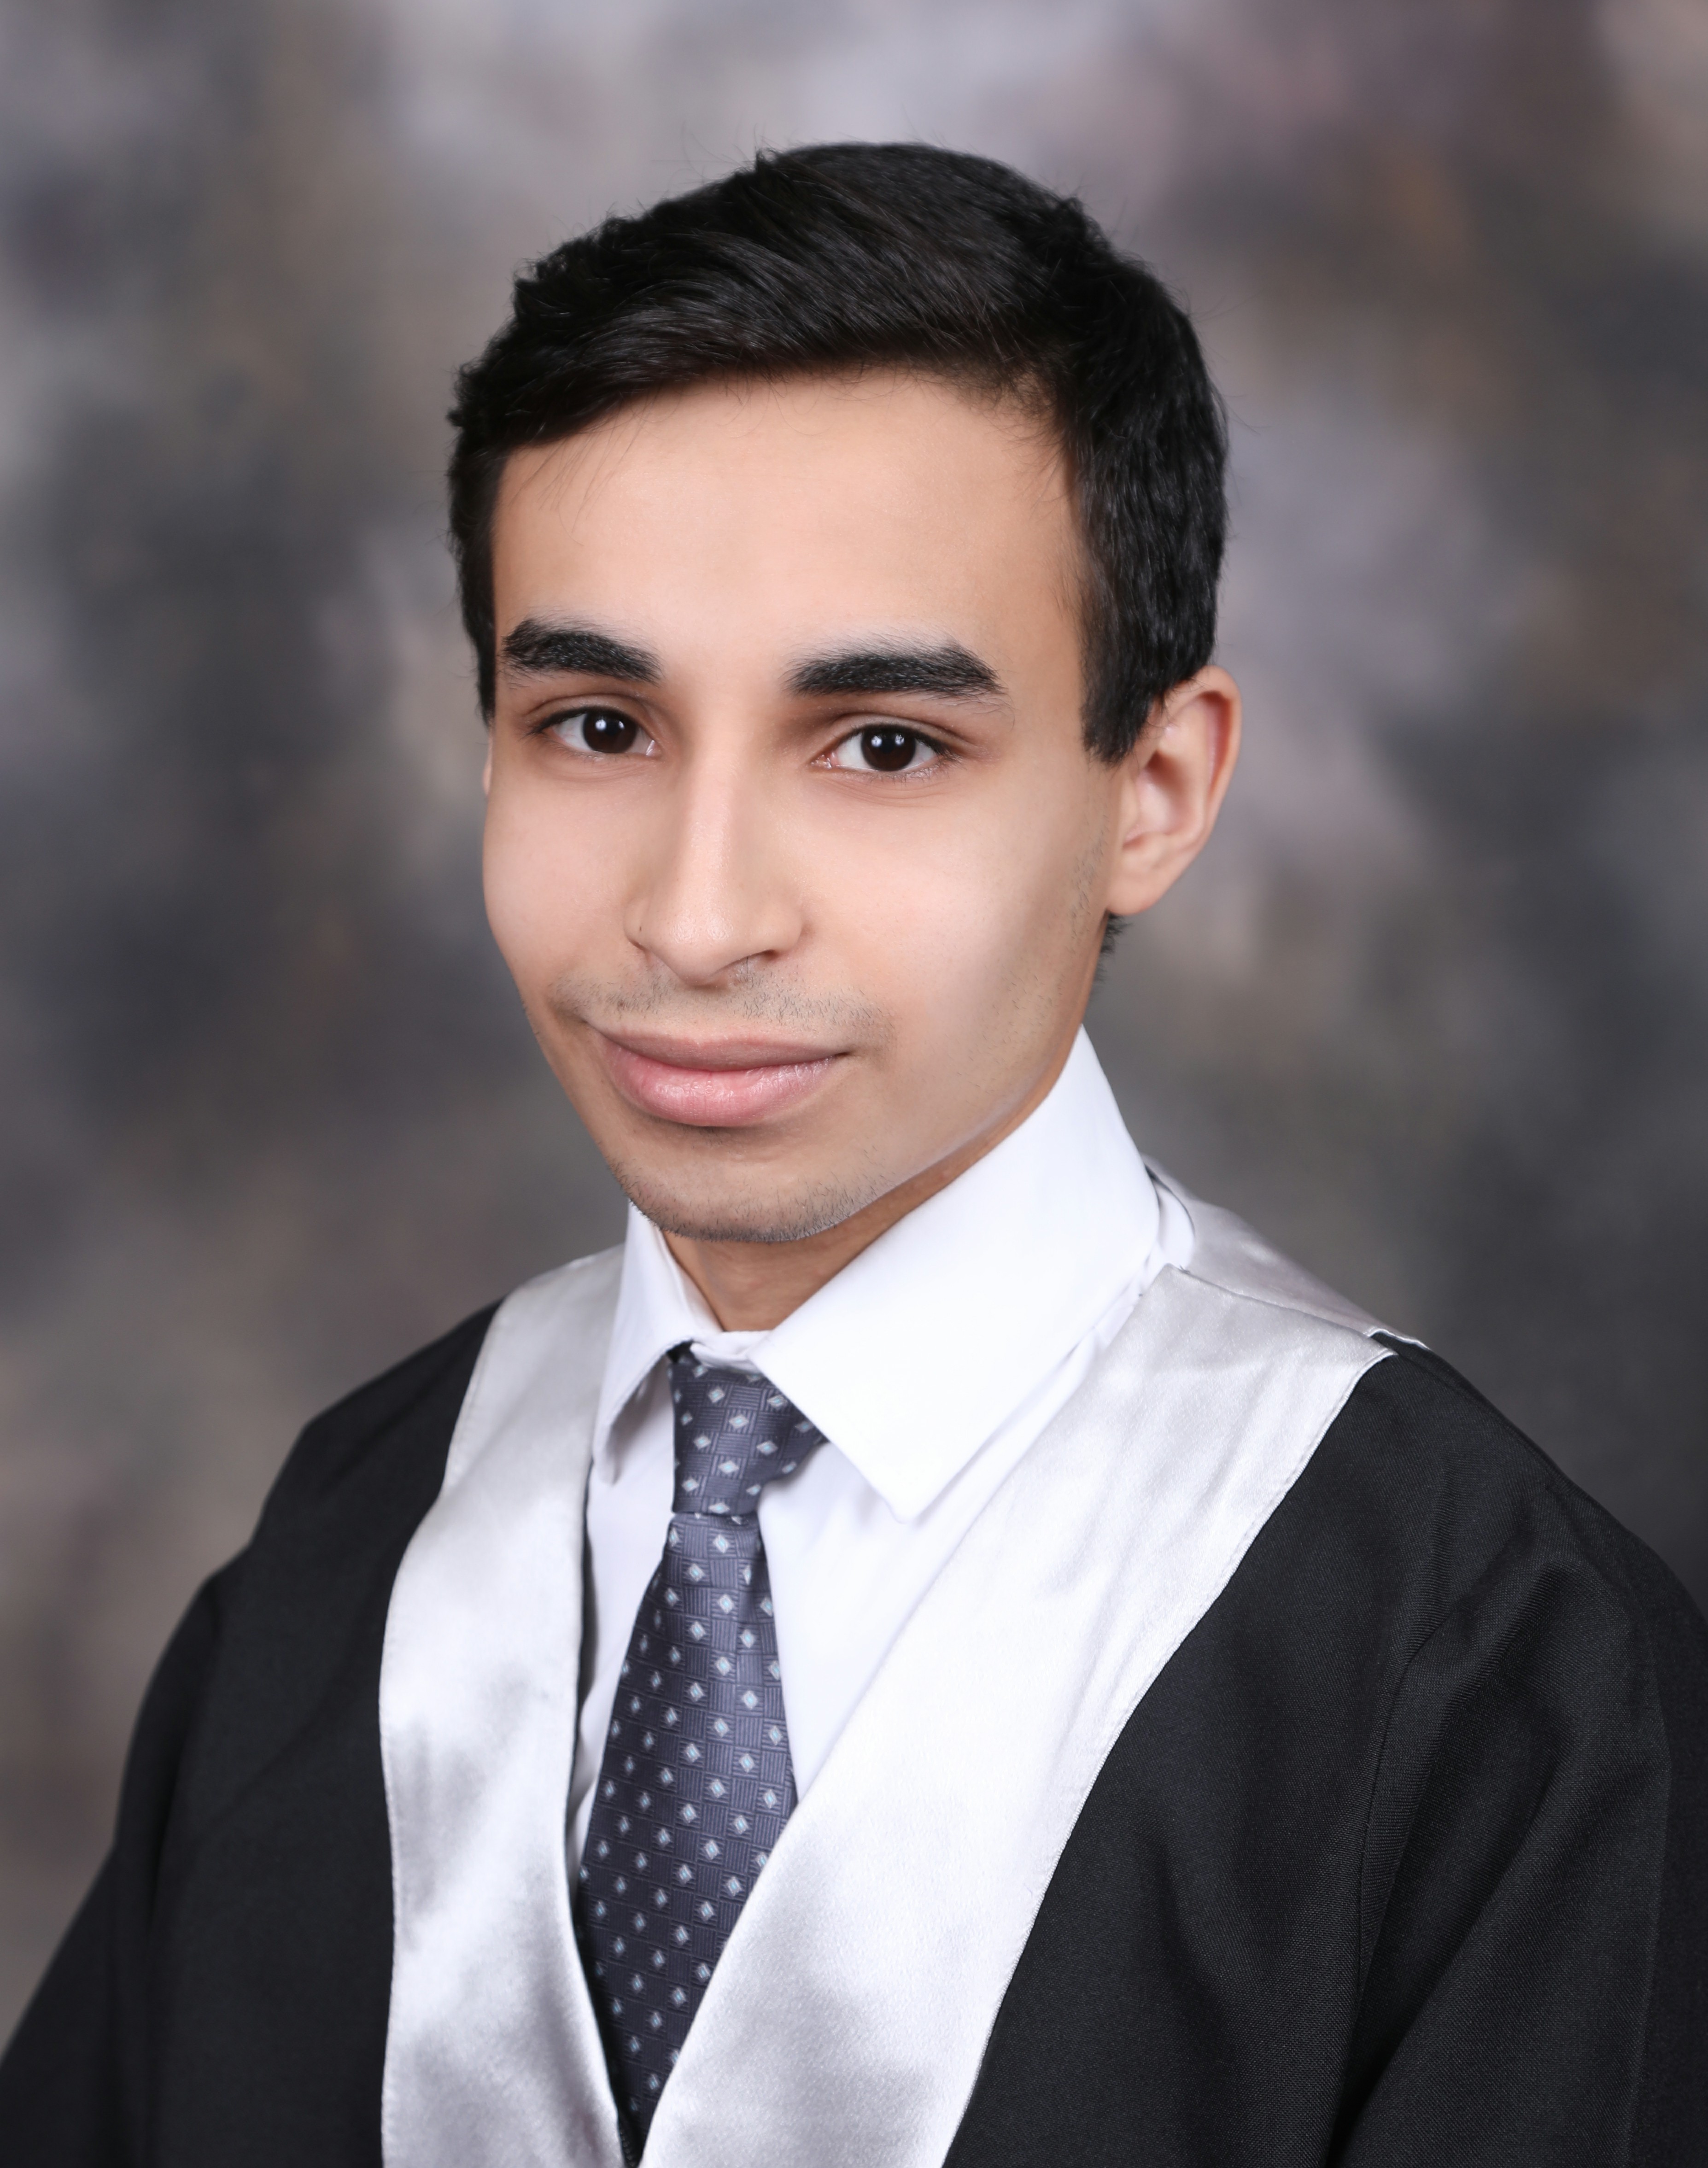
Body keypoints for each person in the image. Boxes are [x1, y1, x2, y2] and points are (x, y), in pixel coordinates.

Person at [2, 142, 1703, 2168]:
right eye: (599, 726)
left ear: (1153, 790)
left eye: (885, 745)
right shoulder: (347, 1552)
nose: (698, 916)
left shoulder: (1497, 1679)